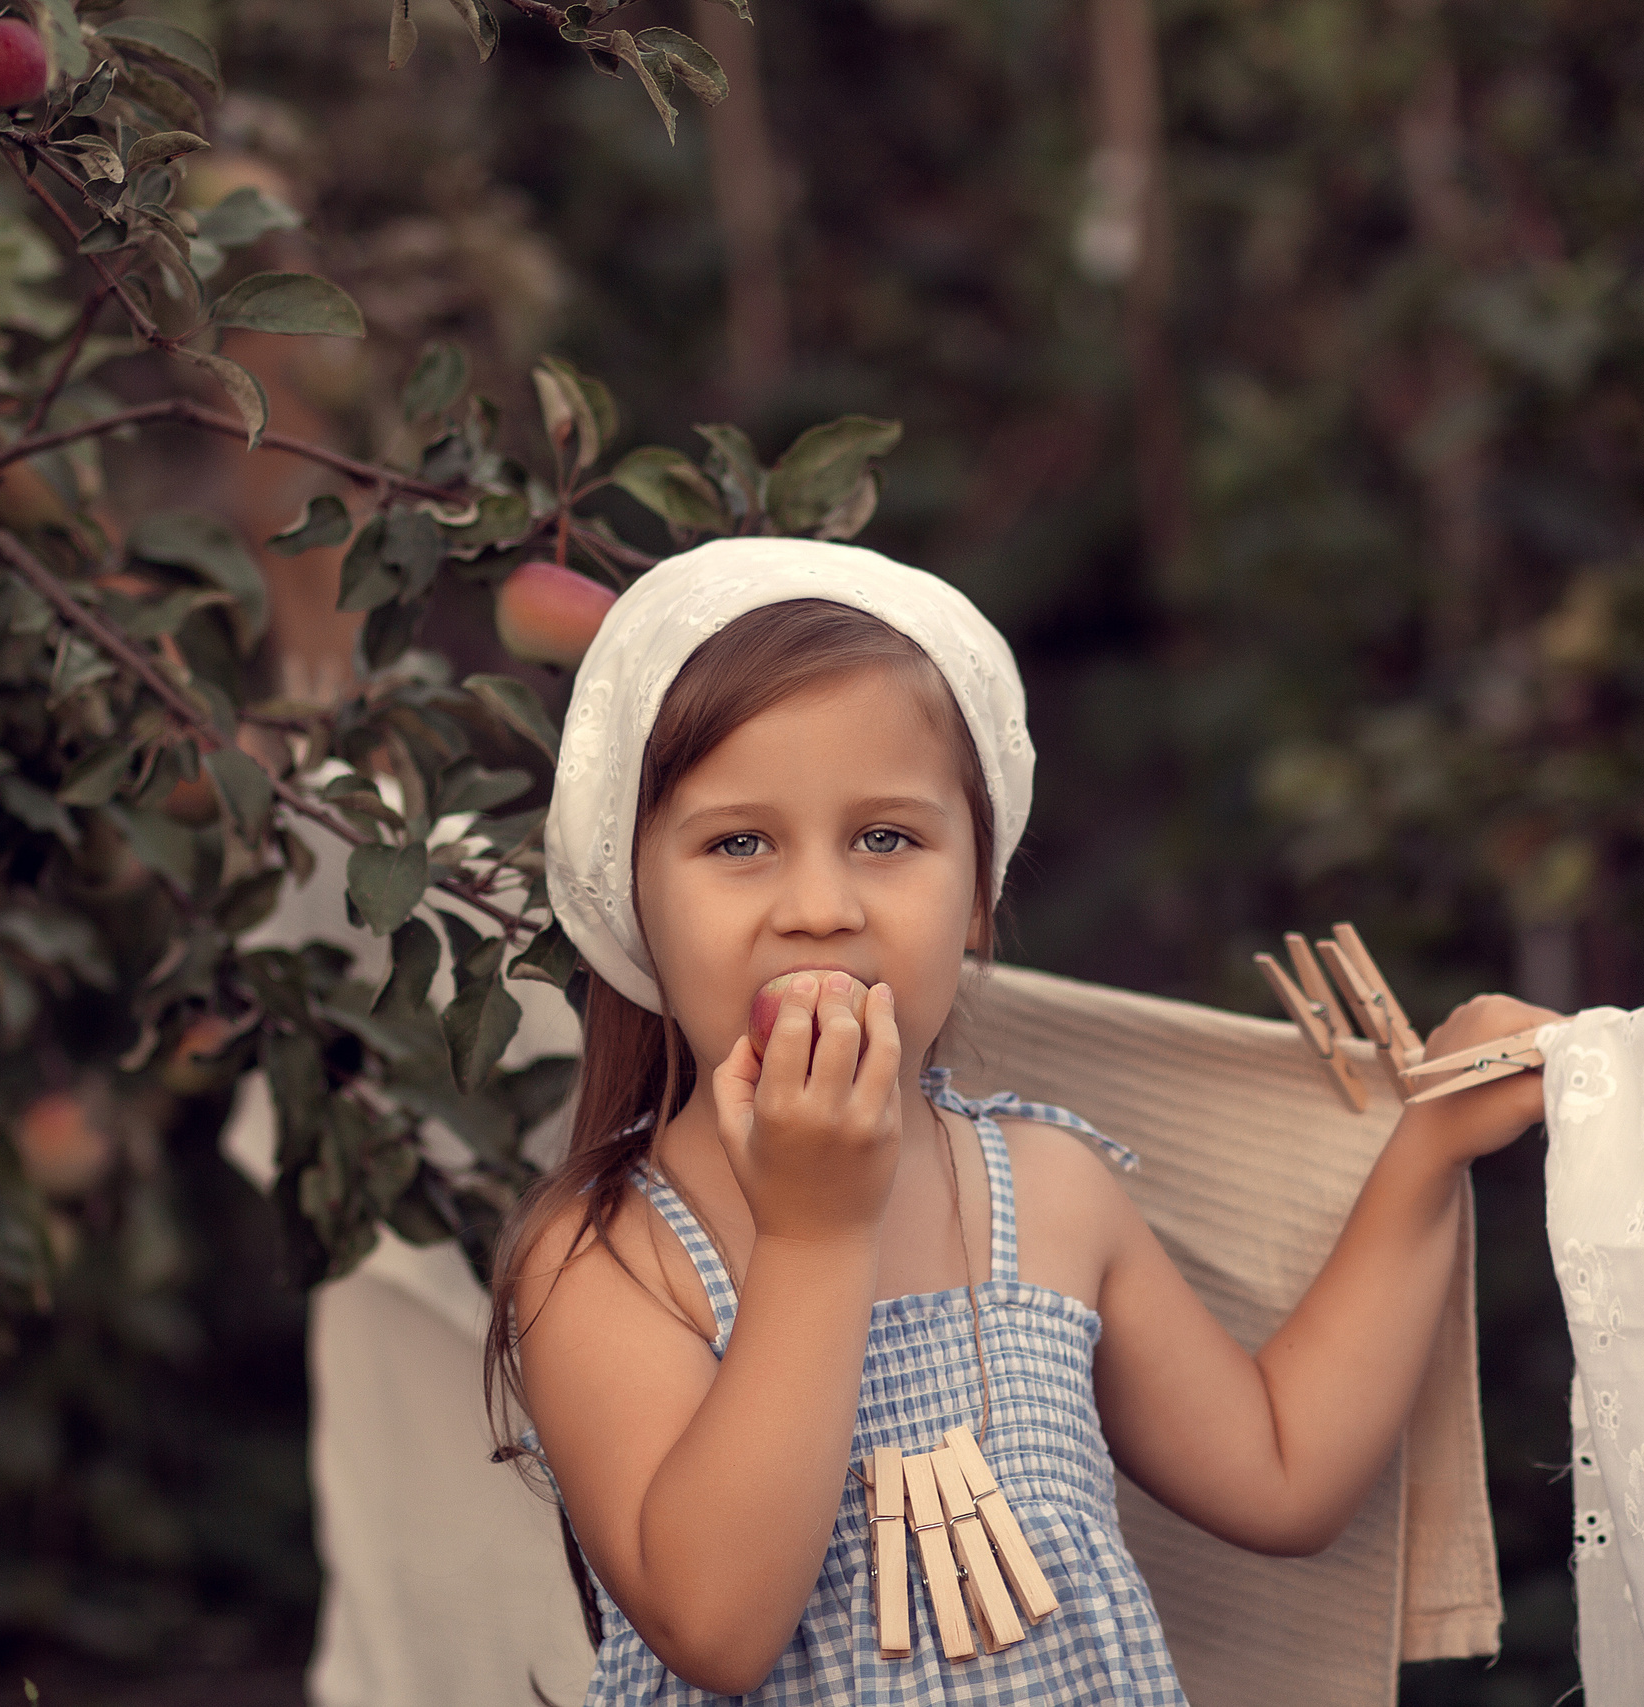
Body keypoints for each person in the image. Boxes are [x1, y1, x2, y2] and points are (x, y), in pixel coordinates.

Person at [486, 537, 1553, 1703]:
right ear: (629, 896)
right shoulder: (603, 1257)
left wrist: (1429, 1146)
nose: (819, 907)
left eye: (886, 838)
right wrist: (812, 1233)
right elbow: (717, 1627)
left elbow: (1285, 1477)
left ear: (978, 896)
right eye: (738, 843)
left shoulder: (1044, 1190)